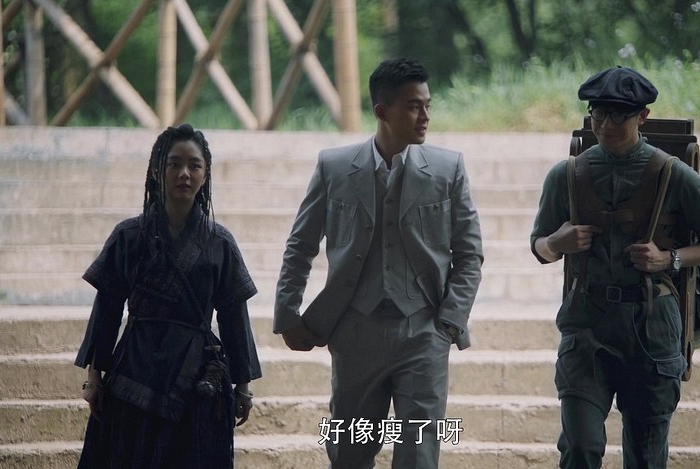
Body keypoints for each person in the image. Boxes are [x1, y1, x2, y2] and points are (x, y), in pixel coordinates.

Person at [274, 58, 484, 469]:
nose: (425, 116)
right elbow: (300, 245)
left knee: (419, 456)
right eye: (413, 106)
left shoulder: (448, 169)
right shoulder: (334, 167)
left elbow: (469, 254)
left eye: (427, 105)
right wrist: (287, 313)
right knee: (348, 454)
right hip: (354, 330)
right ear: (382, 111)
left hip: (424, 330)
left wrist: (447, 323)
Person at [530, 66, 700, 468]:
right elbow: (539, 247)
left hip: (651, 326)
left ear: (642, 116)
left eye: (618, 116)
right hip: (586, 325)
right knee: (581, 446)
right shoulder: (567, 174)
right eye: (598, 114)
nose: (606, 125)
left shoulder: (674, 175)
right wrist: (557, 242)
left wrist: (669, 258)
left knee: (645, 453)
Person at [74, 124, 262, 468]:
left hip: (196, 377)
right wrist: (94, 377)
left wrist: (243, 386)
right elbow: (106, 310)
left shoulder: (220, 243)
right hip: (134, 370)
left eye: (194, 165)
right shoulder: (128, 236)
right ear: (156, 171)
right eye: (174, 164)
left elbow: (235, 318)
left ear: (205, 174)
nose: (184, 174)